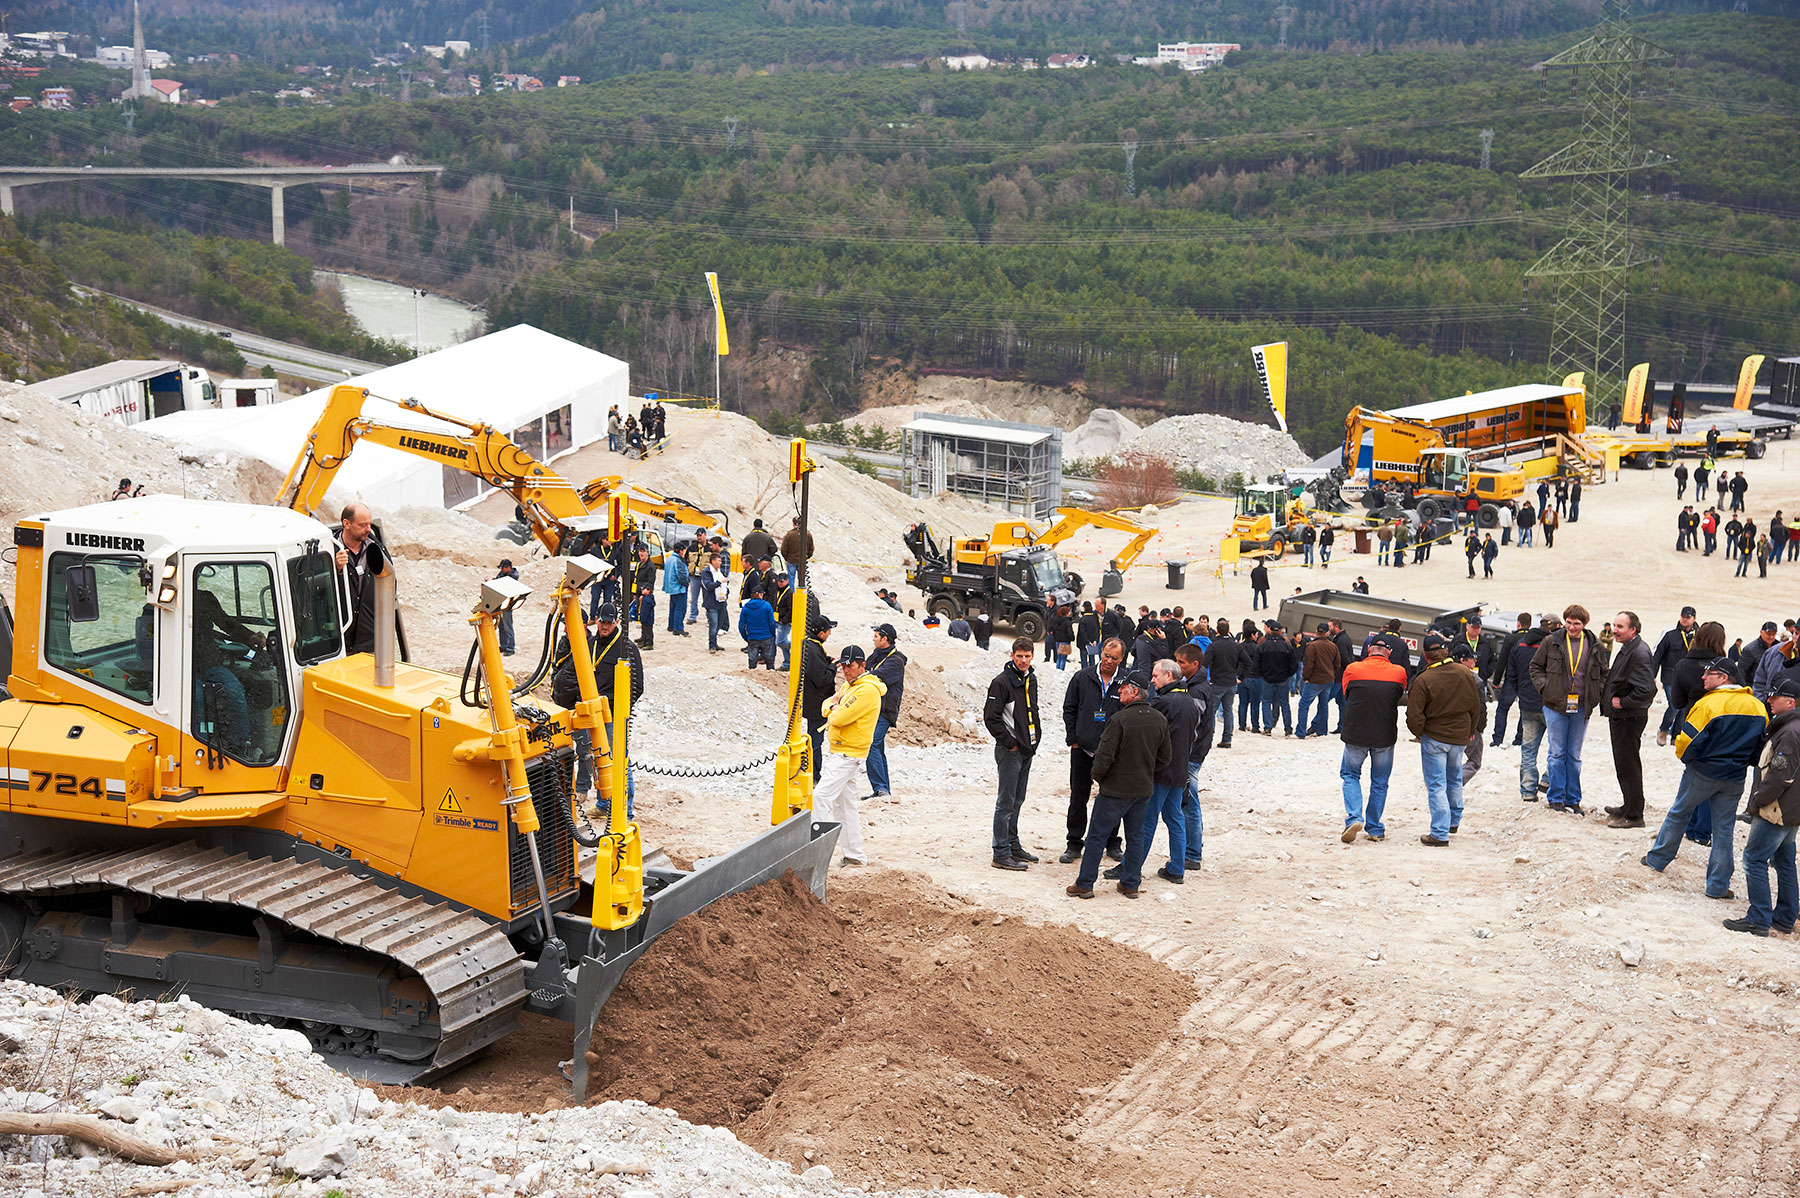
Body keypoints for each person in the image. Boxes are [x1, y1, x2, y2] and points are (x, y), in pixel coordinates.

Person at [1642, 656, 1769, 899]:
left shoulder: (1709, 704)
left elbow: (1687, 740)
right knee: (1723, 829)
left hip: (1703, 772)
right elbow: (1760, 747)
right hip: (1735, 777)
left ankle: (1657, 859)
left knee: (1679, 813)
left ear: (1723, 678)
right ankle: (1717, 886)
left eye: (1709, 673)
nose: (1703, 677)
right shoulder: (1756, 706)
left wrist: (1688, 759)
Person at [1066, 670, 1169, 900]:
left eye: (1123, 687)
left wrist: (1100, 778)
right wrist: (1145, 772)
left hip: (1115, 791)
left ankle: (1085, 884)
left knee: (1096, 837)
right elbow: (1165, 758)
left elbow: (1103, 758)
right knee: (1136, 837)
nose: (1119, 690)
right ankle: (1131, 883)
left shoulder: (1119, 720)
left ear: (1134, 692)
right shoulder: (1159, 719)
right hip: (1142, 790)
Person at [551, 602, 643, 816]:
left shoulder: (627, 648)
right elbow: (570, 671)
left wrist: (613, 705)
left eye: (609, 623)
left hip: (612, 715)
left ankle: (625, 812)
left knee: (618, 760)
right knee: (595, 758)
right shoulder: (589, 644)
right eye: (602, 621)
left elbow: (637, 687)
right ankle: (603, 804)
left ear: (617, 622)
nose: (605, 626)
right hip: (590, 713)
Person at [1724, 677, 1800, 935]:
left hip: (1776, 809)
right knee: (1785, 860)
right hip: (1792, 809)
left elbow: (1780, 776)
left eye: (1775, 697)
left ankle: (1758, 918)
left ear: (1790, 703)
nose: (1769, 700)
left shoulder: (1789, 732)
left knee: (1754, 858)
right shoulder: (1794, 727)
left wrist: (1758, 800)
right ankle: (1786, 917)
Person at [1122, 658, 1199, 886]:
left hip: (1161, 771)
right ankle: (1177, 868)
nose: (1152, 680)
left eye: (1156, 676)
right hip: (1180, 770)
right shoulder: (1189, 701)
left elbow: (1152, 736)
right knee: (1175, 818)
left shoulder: (1165, 702)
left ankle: (1131, 867)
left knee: (1147, 821)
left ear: (1169, 676)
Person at [1407, 632, 1487, 846]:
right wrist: (1470, 729)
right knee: (1454, 778)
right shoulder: (1466, 673)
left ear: (1426, 656)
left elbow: (1414, 714)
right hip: (1460, 737)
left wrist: (1420, 732)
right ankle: (1453, 820)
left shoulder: (1424, 679)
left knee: (1436, 784)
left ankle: (1439, 832)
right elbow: (1475, 706)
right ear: (1446, 651)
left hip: (1435, 736)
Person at [812, 645, 886, 868]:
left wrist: (833, 709)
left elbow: (839, 717)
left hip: (848, 753)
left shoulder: (866, 691)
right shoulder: (850, 686)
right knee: (845, 807)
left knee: (820, 797)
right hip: (842, 751)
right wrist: (832, 707)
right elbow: (827, 703)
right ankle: (854, 854)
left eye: (850, 666)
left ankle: (816, 855)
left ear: (862, 665)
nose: (846, 670)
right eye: (843, 665)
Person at [1530, 604, 1605, 814]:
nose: (1572, 627)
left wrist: (1596, 694)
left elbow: (1603, 673)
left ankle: (1573, 799)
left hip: (1581, 706)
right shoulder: (1551, 641)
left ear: (1585, 624)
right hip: (1555, 705)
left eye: (1577, 624)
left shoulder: (1594, 644)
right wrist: (1546, 688)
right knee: (1557, 753)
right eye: (1569, 623)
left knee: (1574, 755)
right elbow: (1535, 667)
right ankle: (1555, 798)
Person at [1060, 637, 1126, 863]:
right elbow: (1069, 709)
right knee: (1078, 797)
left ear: (1121, 659)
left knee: (1112, 798)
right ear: (1101, 652)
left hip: (1113, 754)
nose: (1108, 661)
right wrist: (1073, 739)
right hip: (1083, 750)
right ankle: (1074, 843)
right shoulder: (1082, 677)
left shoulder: (1126, 682)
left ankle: (1112, 842)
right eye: (1106, 655)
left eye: (1114, 658)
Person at [1338, 637, 1406, 844]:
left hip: (1356, 731)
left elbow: (1346, 694)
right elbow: (1399, 695)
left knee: (1350, 775)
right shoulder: (1399, 672)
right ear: (1389, 652)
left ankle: (1354, 818)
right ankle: (1375, 827)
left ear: (1369, 649)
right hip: (1384, 734)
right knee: (1380, 782)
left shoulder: (1352, 668)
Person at [986, 637, 1043, 871]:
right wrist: (1010, 743)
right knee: (1006, 802)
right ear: (1012, 655)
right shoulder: (1001, 682)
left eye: (1027, 656)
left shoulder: (1031, 679)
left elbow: (1032, 711)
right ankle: (1000, 852)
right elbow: (991, 718)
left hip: (1026, 749)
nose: (1023, 660)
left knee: (1018, 800)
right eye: (1019, 656)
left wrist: (1033, 741)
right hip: (1010, 751)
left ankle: (1012, 843)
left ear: (1032, 656)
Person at [1602, 611, 1656, 829]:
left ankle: (1634, 815)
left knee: (1629, 764)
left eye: (1620, 627)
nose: (1614, 630)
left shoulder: (1639, 652)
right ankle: (1629, 805)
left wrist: (1623, 702)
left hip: (1628, 717)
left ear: (1633, 629)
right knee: (1624, 763)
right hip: (1622, 717)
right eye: (1614, 625)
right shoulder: (1630, 647)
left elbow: (1647, 689)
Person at [1171, 643, 1216, 869]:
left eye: (1181, 663)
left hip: (1190, 755)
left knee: (1189, 803)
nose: (1177, 666)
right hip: (1189, 753)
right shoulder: (1190, 684)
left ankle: (1192, 853)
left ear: (1194, 664)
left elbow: (1191, 726)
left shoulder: (1197, 691)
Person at [1511, 620, 1553, 801]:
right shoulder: (1552, 646)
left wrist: (1520, 693)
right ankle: (1547, 780)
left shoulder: (1519, 645)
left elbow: (1511, 675)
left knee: (1528, 749)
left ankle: (1527, 791)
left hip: (1527, 705)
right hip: (1549, 705)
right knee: (1557, 747)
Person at [865, 624, 906, 800]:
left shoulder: (895, 661)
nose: (873, 638)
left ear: (885, 639)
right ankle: (882, 790)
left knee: (871, 744)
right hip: (873, 708)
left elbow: (873, 676)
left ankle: (881, 788)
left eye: (876, 636)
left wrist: (864, 674)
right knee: (878, 748)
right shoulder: (876, 655)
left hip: (885, 710)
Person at [1650, 607, 1699, 746]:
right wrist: (1651, 675)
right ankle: (1663, 730)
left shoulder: (1700, 635)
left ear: (1694, 618)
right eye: (1683, 616)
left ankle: (1676, 736)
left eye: (1688, 617)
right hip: (1670, 676)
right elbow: (1657, 655)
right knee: (1675, 705)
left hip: (1690, 678)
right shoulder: (1669, 634)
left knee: (1684, 707)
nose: (1685, 619)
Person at [801, 619, 838, 781]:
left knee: (815, 739)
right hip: (816, 704)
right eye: (828, 630)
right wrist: (832, 667)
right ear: (821, 633)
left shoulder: (813, 646)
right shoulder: (813, 649)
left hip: (813, 701)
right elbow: (822, 678)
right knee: (815, 741)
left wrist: (827, 661)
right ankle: (814, 774)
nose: (830, 633)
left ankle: (813, 772)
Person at [1296, 622, 1339, 739]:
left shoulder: (1312, 646)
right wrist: (1330, 673)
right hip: (1328, 680)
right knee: (1323, 706)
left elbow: (1308, 664)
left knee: (1304, 705)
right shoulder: (1333, 646)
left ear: (1316, 631)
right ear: (1327, 633)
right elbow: (1337, 665)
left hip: (1315, 680)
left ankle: (1300, 732)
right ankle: (1322, 731)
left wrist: (1306, 677)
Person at [1204, 627, 1243, 748]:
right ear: (1229, 630)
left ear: (1217, 631)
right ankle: (1227, 739)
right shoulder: (1236, 646)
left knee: (1211, 712)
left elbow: (1204, 664)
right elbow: (1247, 662)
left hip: (1217, 682)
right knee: (1228, 711)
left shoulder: (1214, 646)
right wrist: (1240, 676)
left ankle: (1208, 738)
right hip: (1231, 683)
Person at [1258, 619, 1295, 736]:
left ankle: (1268, 727)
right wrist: (1288, 674)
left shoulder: (1264, 646)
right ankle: (1288, 728)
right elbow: (1293, 664)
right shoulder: (1286, 646)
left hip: (1267, 678)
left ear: (1270, 631)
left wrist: (1262, 674)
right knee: (1284, 703)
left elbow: (1257, 663)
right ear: (1280, 632)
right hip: (1283, 679)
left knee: (1266, 703)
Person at [700, 551, 730, 652]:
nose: (720, 563)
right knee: (713, 623)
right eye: (718, 561)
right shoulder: (706, 572)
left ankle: (715, 642)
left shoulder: (719, 571)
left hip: (721, 601)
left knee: (719, 623)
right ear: (713, 561)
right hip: (711, 602)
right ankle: (712, 645)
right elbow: (708, 586)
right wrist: (718, 582)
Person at [740, 589, 777, 670]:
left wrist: (746, 637)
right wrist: (772, 634)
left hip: (752, 637)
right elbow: (772, 622)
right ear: (760, 594)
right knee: (770, 661)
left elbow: (741, 625)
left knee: (752, 662)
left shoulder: (746, 608)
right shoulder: (767, 606)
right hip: (767, 636)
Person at [628, 543, 657, 649]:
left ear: (648, 553)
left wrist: (644, 592)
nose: (641, 553)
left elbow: (650, 581)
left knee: (647, 618)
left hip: (646, 595)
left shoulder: (650, 566)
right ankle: (644, 637)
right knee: (641, 617)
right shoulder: (640, 564)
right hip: (639, 593)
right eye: (640, 551)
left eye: (643, 551)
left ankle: (649, 641)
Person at [661, 542, 690, 637]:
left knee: (673, 607)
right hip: (679, 588)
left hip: (671, 587)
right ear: (680, 550)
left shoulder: (669, 559)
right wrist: (686, 583)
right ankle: (678, 628)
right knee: (680, 608)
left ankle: (671, 625)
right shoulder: (678, 560)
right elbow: (681, 576)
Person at [493, 559, 520, 655]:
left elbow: (504, 584)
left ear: (508, 567)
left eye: (502, 568)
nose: (501, 570)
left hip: (508, 604)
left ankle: (510, 648)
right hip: (501, 603)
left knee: (508, 627)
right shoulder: (502, 575)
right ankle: (504, 646)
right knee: (501, 626)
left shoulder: (513, 576)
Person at [781, 518, 814, 588]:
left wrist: (787, 558)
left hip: (791, 560)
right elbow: (811, 548)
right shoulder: (808, 534)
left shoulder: (789, 534)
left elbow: (783, 549)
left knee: (791, 578)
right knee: (802, 580)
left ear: (793, 524)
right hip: (802, 561)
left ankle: (791, 595)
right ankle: (802, 594)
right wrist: (807, 557)